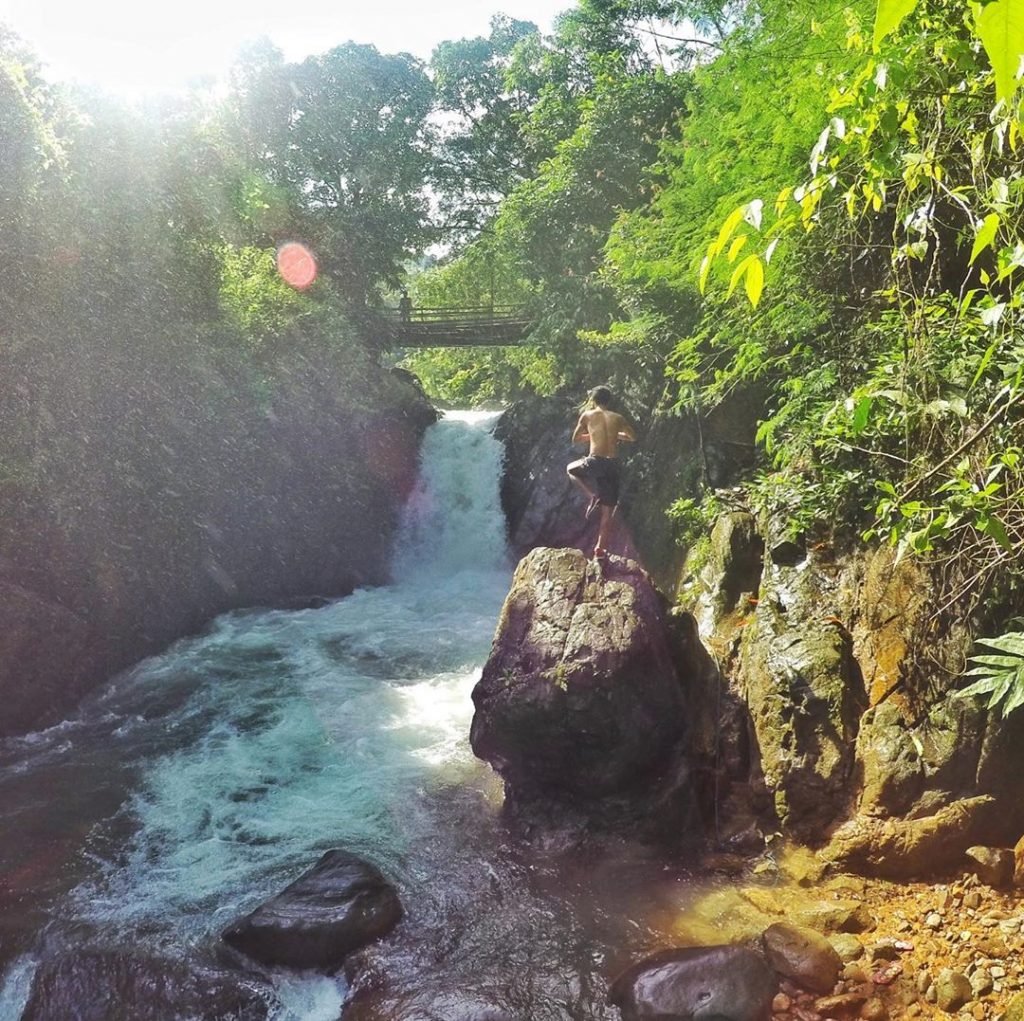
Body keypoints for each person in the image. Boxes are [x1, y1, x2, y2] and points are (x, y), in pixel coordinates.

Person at [567, 385, 636, 559]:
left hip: (595, 461)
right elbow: (632, 437)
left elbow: (575, 439)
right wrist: (616, 436)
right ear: (609, 400)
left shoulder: (587, 415)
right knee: (608, 512)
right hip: (612, 465)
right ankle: (600, 550)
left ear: (593, 400)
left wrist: (591, 435)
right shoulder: (618, 417)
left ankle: (591, 495)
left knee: (571, 470)